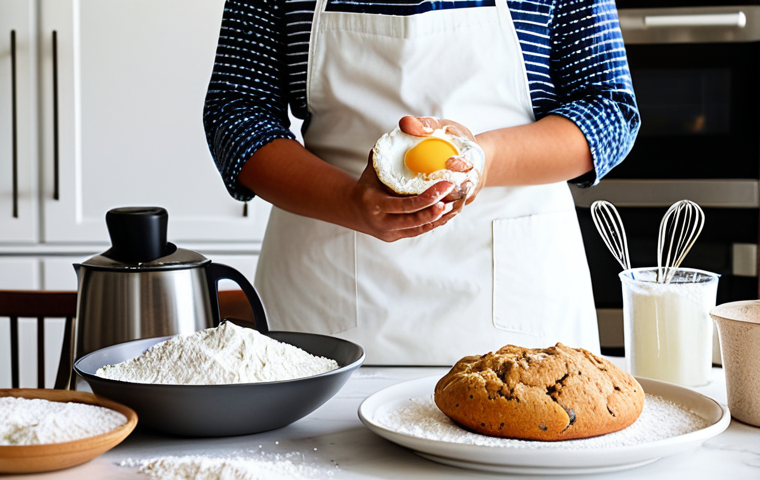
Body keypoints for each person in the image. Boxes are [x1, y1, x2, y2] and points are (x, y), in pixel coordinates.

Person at [203, 0, 640, 365]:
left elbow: (609, 108)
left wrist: (483, 159)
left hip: (517, 294)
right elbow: (236, 111)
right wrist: (348, 201)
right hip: (328, 291)